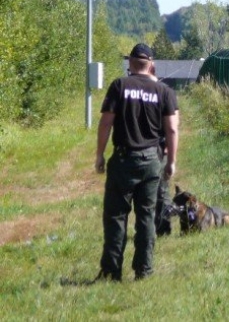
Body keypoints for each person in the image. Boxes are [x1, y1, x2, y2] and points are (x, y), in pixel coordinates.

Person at [94, 43, 179, 281]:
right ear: (151, 64)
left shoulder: (120, 86)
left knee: (116, 216)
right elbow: (171, 130)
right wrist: (171, 161)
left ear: (130, 63)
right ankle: (144, 270)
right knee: (147, 216)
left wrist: (99, 155)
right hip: (152, 160)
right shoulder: (165, 91)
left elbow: (105, 123)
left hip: (123, 159)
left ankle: (111, 271)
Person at [147, 62, 177, 237]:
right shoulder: (166, 91)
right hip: (160, 146)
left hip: (153, 145)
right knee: (161, 189)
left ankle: (158, 227)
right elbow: (174, 125)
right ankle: (162, 228)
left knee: (154, 191)